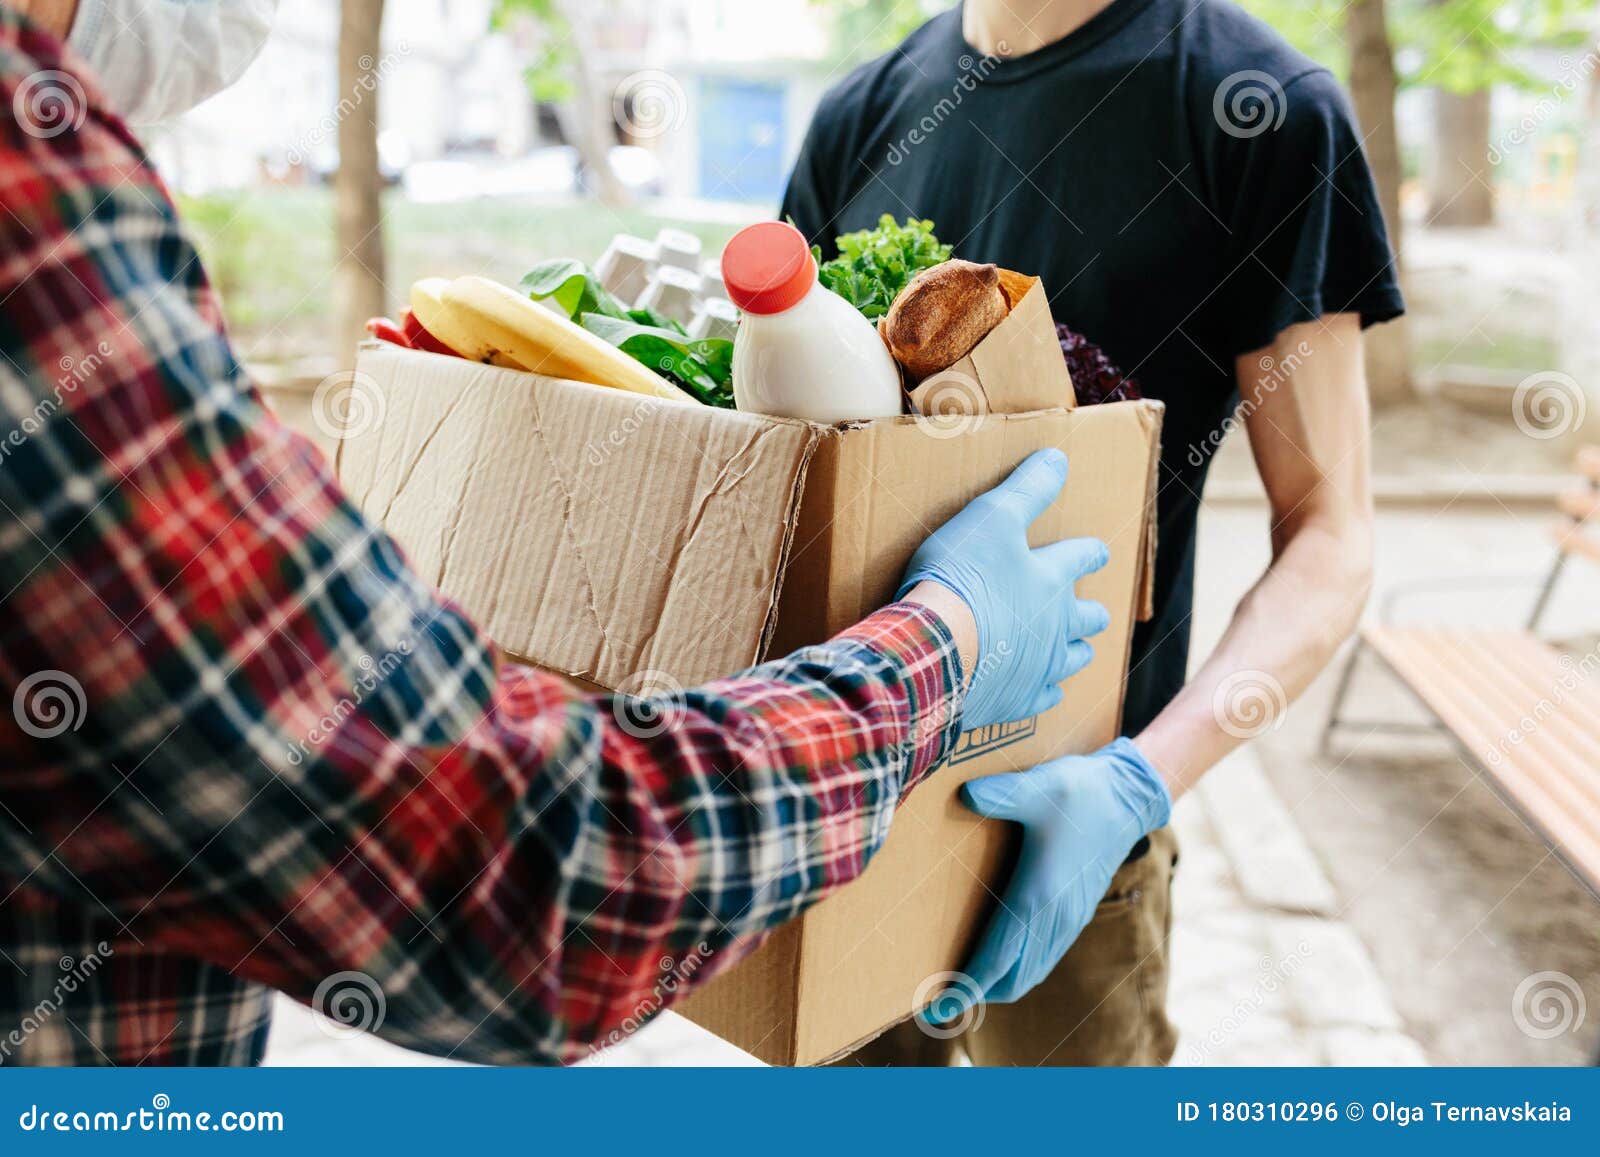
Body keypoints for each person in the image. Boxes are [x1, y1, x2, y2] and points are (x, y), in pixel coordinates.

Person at [0, 3, 1157, 1066]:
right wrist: (944, 646)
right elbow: (521, 872)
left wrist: (1150, 766)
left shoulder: (1239, 97)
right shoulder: (32, 196)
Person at [784, 0, 1400, 1066]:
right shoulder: (860, 115)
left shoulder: (1259, 113)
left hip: (1071, 826)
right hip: (852, 814)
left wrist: (1139, 783)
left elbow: (1330, 534)